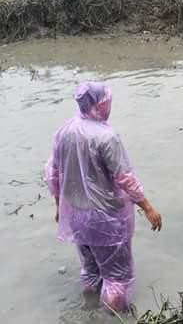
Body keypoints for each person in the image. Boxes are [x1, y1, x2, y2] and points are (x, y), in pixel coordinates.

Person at [44, 82, 162, 312]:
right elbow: (124, 178)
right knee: (117, 277)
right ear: (100, 104)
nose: (110, 105)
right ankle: (111, 316)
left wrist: (59, 206)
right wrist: (147, 207)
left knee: (90, 269)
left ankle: (88, 307)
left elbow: (52, 172)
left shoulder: (64, 131)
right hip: (105, 220)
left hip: (76, 215)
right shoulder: (107, 137)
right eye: (107, 101)